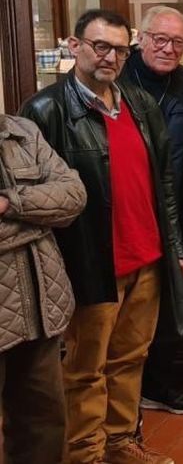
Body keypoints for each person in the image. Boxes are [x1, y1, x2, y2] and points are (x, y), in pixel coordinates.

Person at [20, 9, 183, 464]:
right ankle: (86, 454)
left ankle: (120, 444)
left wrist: (174, 249)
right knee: (84, 370)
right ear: (74, 47)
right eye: (101, 46)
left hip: (146, 258)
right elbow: (34, 197)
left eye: (120, 49)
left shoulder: (139, 102)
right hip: (90, 264)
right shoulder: (44, 110)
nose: (110, 57)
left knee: (131, 359)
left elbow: (164, 184)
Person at [123, 5, 183, 416]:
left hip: (178, 207)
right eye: (160, 39)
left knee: (172, 300)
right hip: (129, 207)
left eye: (178, 42)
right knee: (124, 307)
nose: (168, 49)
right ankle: (119, 393)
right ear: (140, 38)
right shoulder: (117, 79)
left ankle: (157, 384)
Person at [0, 114, 85, 463]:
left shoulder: (23, 131)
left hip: (40, 313)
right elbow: (55, 209)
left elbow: (74, 195)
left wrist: (9, 204)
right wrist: (38, 223)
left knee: (44, 428)